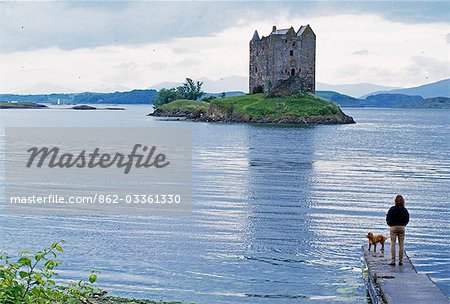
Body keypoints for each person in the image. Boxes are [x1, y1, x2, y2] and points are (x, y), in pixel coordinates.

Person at [386, 195, 409, 265]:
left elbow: (388, 218)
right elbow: (407, 219)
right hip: (402, 227)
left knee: (393, 244)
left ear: (395, 201)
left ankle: (393, 261)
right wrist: (404, 224)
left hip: (393, 227)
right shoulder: (404, 210)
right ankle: (401, 261)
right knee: (401, 244)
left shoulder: (392, 209)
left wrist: (390, 225)